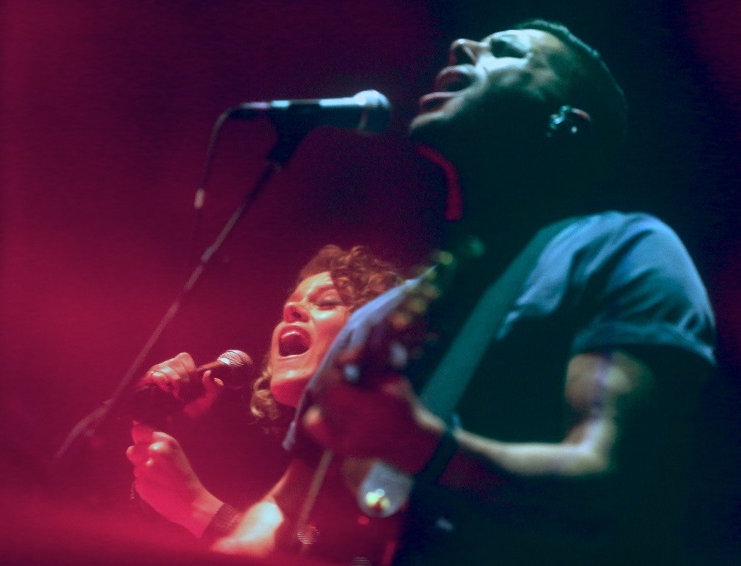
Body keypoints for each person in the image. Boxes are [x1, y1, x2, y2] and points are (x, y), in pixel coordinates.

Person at [215, 19, 716, 565]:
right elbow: (288, 510)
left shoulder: (622, 250)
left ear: (567, 126)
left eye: (504, 52)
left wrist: (422, 446)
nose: (462, 46)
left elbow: (607, 486)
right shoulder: (377, 321)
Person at [125, 245, 403, 546]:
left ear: (375, 334)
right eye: (289, 305)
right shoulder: (306, 456)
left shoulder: (393, 441)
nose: (289, 311)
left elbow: (336, 554)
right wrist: (167, 431)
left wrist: (199, 508)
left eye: (326, 302)